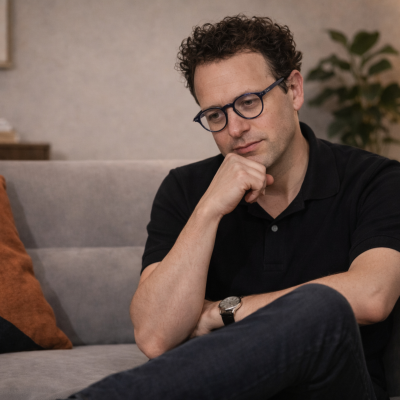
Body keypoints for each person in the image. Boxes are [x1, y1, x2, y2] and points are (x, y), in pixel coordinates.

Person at [64, 15, 400, 400]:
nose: (235, 128)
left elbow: (373, 296)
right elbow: (155, 336)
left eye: (249, 102)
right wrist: (208, 209)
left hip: (332, 389)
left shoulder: (376, 179)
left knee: (321, 307)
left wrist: (222, 311)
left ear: (293, 90)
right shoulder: (185, 188)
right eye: (215, 115)